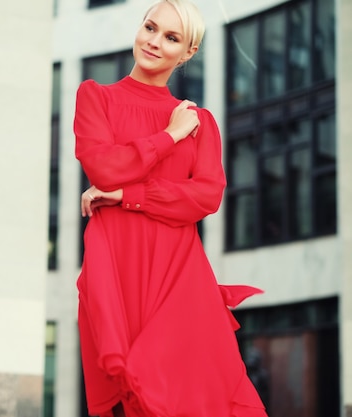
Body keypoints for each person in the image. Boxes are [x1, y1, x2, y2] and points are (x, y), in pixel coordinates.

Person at [74, 1, 268, 416]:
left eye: (172, 37)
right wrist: (169, 137)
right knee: (136, 393)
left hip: (180, 278)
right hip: (117, 270)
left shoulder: (201, 123)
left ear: (188, 53)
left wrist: (127, 196)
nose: (154, 42)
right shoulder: (97, 97)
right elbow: (105, 169)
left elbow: (205, 198)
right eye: (150, 27)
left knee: (202, 398)